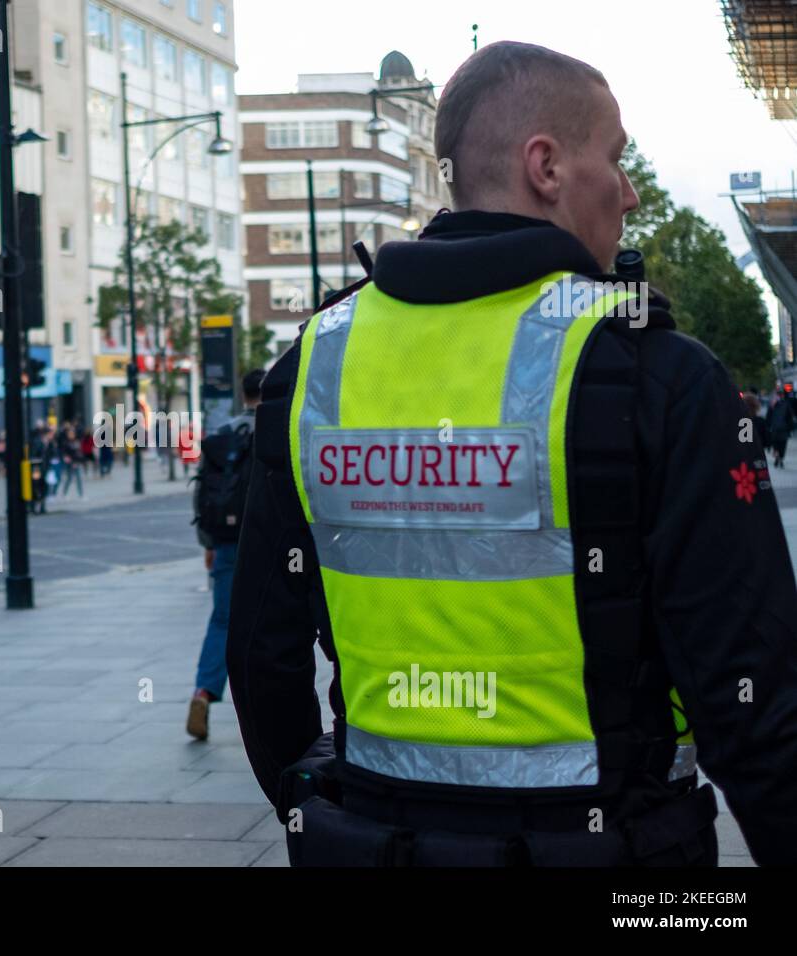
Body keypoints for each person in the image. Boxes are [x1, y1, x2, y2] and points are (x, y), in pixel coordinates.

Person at [228, 41, 797, 867]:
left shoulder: (314, 365)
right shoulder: (657, 373)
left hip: (373, 842)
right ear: (547, 166)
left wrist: (323, 813)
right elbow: (754, 700)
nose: (631, 192)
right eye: (617, 157)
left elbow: (261, 657)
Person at [187, 369, 264, 741]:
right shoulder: (273, 431)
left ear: (243, 394)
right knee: (267, 623)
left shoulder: (221, 436)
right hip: (266, 543)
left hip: (226, 543)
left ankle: (203, 691)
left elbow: (202, 492)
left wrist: (208, 544)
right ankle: (260, 708)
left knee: (222, 620)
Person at [767, 386, 794, 468]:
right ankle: (780, 458)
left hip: (775, 429)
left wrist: (768, 427)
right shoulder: (786, 404)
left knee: (776, 445)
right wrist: (790, 429)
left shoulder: (772, 405)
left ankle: (778, 457)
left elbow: (768, 417)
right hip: (783, 429)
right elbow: (790, 418)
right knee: (782, 445)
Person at [60, 424, 84, 497]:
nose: (71, 435)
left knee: (79, 479)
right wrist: (66, 458)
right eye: (70, 434)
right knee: (69, 479)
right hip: (70, 464)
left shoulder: (76, 441)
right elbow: (64, 453)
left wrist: (80, 460)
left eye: (72, 433)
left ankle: (81, 494)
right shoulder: (66, 443)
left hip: (77, 463)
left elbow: (79, 452)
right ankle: (64, 493)